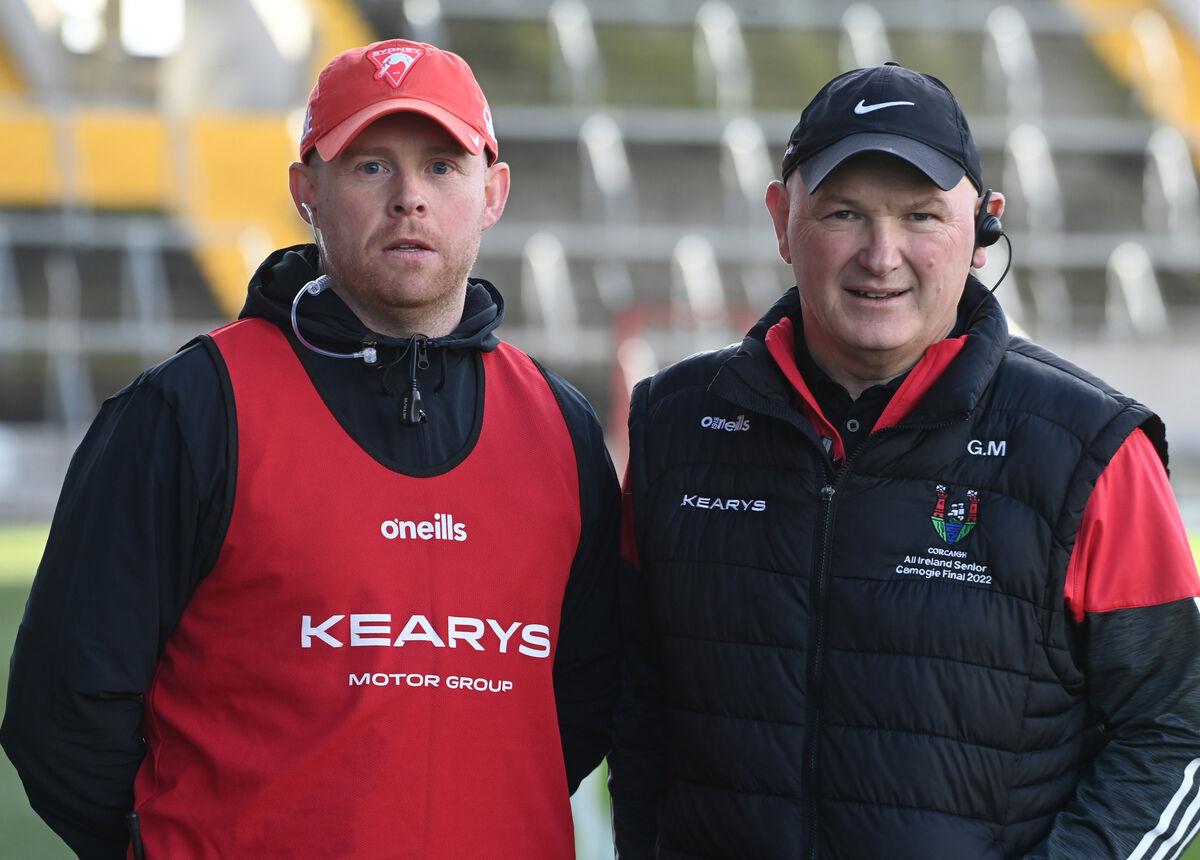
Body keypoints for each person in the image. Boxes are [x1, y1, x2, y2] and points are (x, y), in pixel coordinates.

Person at [2, 39, 620, 859]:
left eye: (442, 166)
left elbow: (586, 700)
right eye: (369, 166)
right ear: (307, 191)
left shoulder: (562, 430)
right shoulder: (190, 409)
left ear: (493, 191)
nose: (409, 198)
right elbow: (65, 711)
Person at [608, 62, 1200, 859]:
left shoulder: (1092, 450)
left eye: (921, 216)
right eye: (844, 213)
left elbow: (1175, 731)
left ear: (984, 229)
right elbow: (638, 712)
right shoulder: (676, 426)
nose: (881, 255)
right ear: (782, 220)